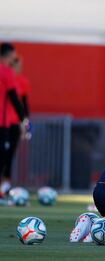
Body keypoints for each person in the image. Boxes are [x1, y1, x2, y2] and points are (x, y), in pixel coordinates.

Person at [0, 43, 27, 197]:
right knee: (4, 155)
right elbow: (15, 99)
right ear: (8, 55)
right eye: (13, 56)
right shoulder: (7, 72)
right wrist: (24, 120)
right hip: (3, 123)